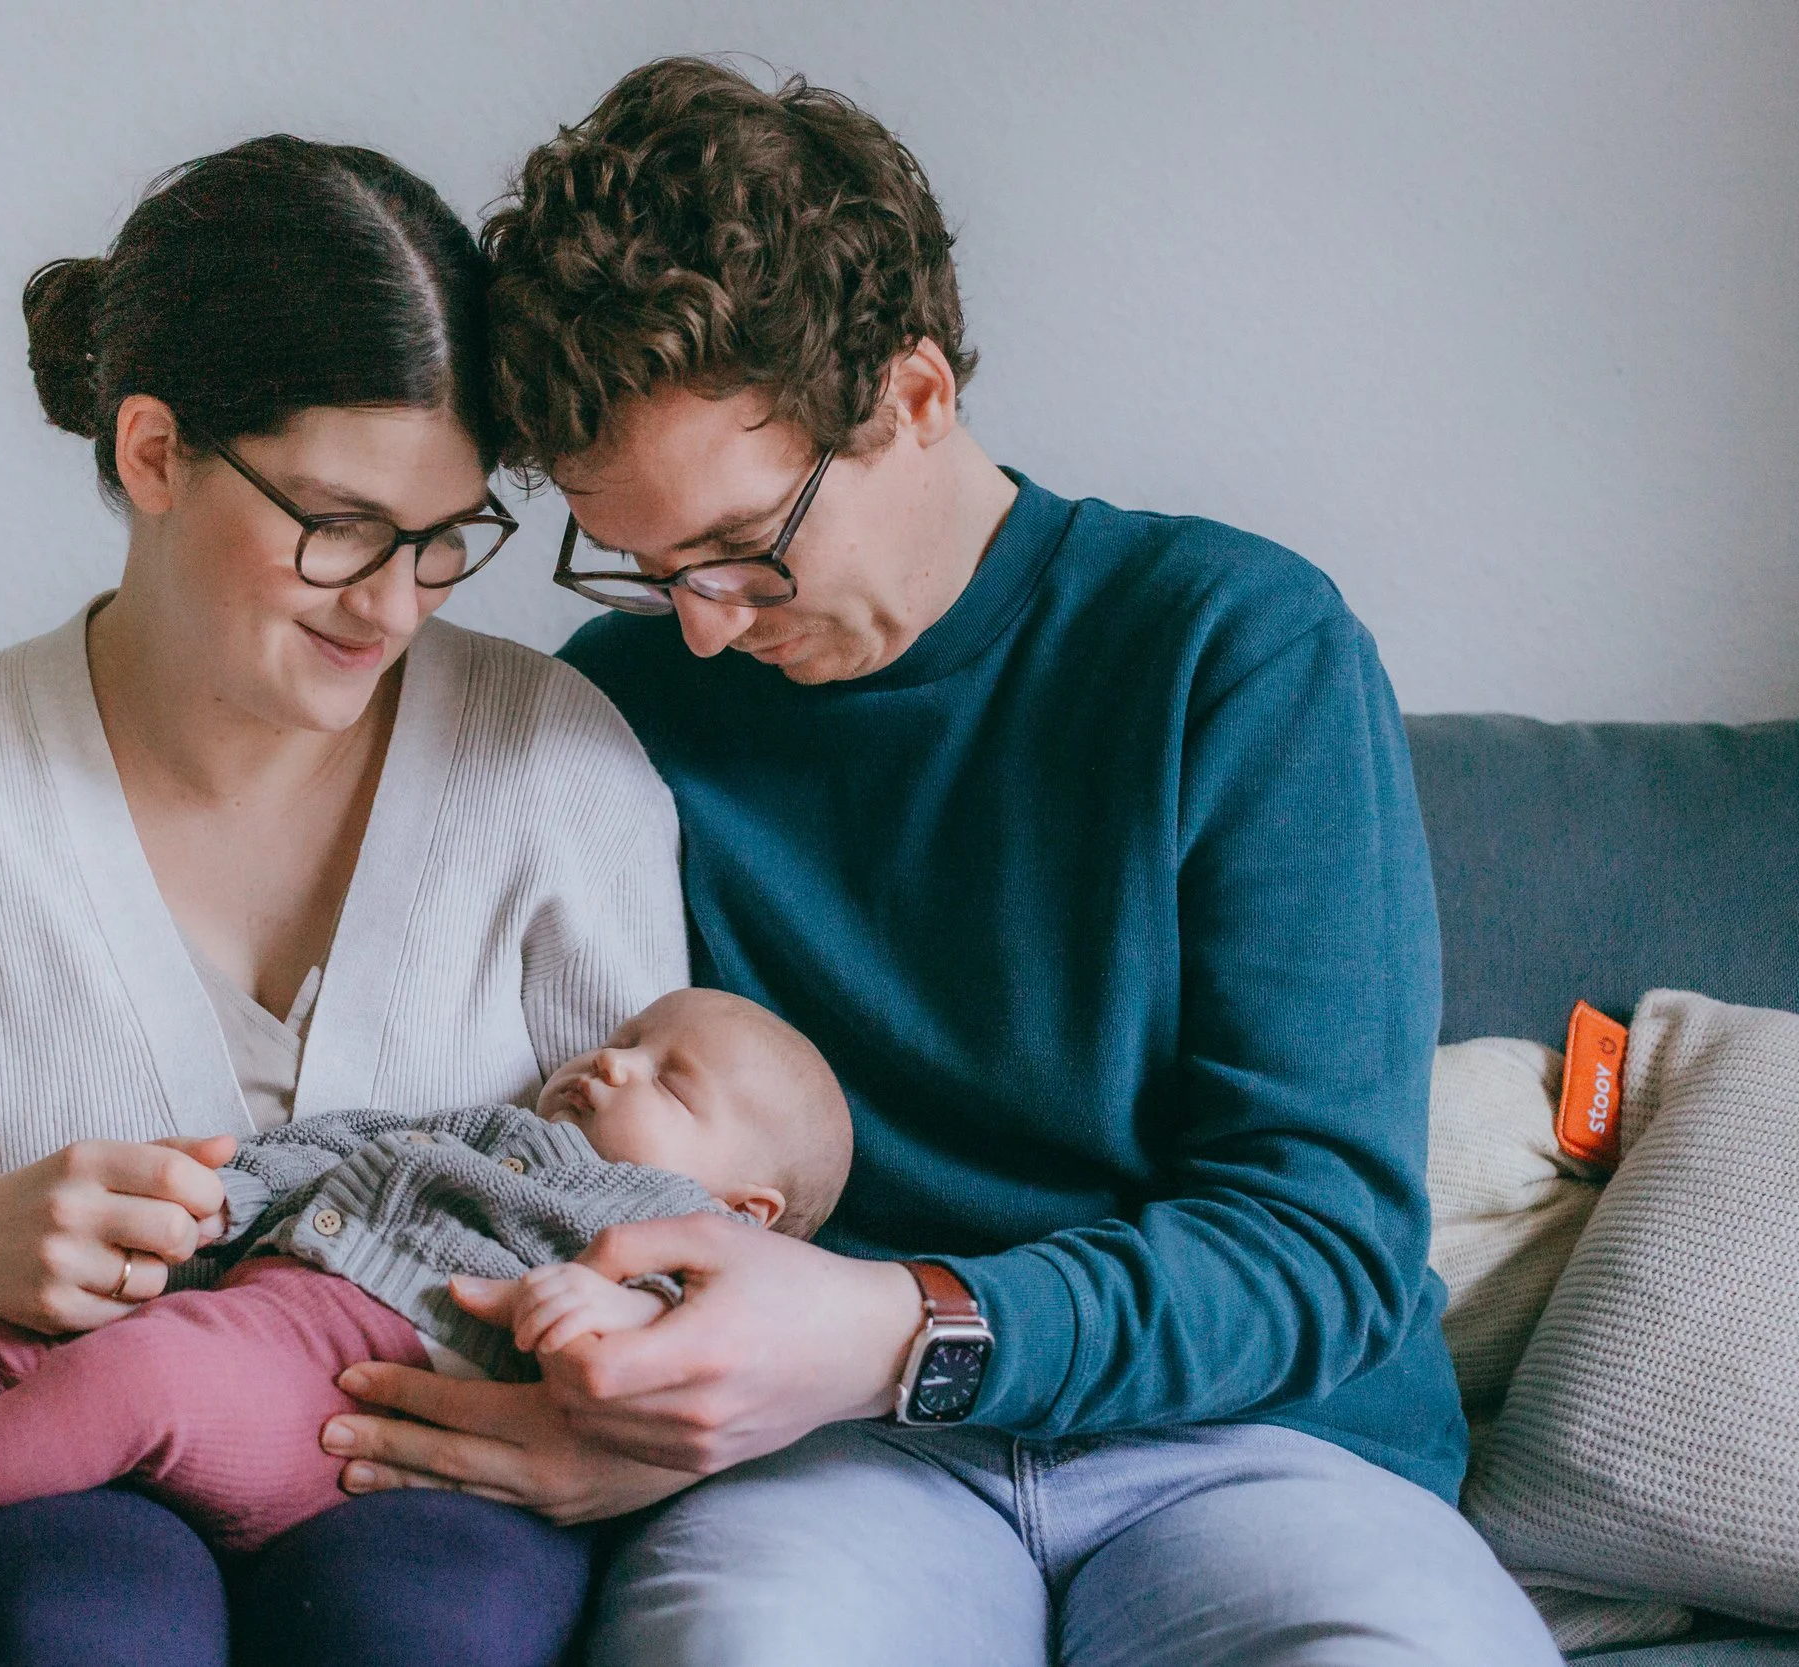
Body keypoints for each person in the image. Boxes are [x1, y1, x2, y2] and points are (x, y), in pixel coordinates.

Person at [315, 60, 1564, 1666]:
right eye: (641, 566)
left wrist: (895, 1327)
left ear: (913, 396)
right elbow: (523, 1143)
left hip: (1260, 1444)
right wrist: (615, 1400)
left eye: (742, 551)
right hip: (831, 1464)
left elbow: (1318, 1244)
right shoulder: (614, 707)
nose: (702, 627)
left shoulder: (1235, 647)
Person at [0, 134, 687, 1667]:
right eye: (341, 524)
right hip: (20, 1494)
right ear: (153, 452)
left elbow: (666, 1202)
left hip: (410, 1478)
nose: (393, 603)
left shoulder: (548, 763)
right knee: (87, 1616)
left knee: (428, 1622)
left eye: (444, 540)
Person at [0, 989, 851, 1567]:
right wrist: (214, 1196)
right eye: (624, 1038)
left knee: (143, 1371)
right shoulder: (480, 1126)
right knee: (12, 1322)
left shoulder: (665, 1225)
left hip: (333, 1398)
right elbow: (321, 1148)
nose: (613, 1063)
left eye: (668, 1078)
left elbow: (684, 1347)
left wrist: (607, 1309)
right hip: (237, 1303)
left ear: (745, 1208)